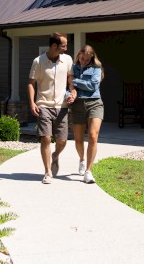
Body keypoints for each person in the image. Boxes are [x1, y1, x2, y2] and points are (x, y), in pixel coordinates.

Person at [28, 32, 75, 184]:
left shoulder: (67, 60)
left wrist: (73, 91)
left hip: (62, 106)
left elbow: (70, 79)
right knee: (46, 138)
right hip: (44, 105)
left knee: (62, 141)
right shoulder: (38, 61)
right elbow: (31, 83)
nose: (66, 49)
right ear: (54, 46)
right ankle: (47, 172)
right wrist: (32, 103)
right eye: (63, 46)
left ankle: (55, 155)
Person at [68, 45, 104, 184]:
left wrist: (75, 81)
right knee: (78, 140)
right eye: (82, 58)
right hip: (78, 105)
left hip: (95, 103)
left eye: (87, 60)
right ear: (78, 55)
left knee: (93, 136)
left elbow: (92, 86)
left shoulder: (96, 69)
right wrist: (69, 94)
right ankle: (82, 160)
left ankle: (88, 171)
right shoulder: (72, 68)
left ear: (92, 59)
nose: (84, 62)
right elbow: (68, 87)